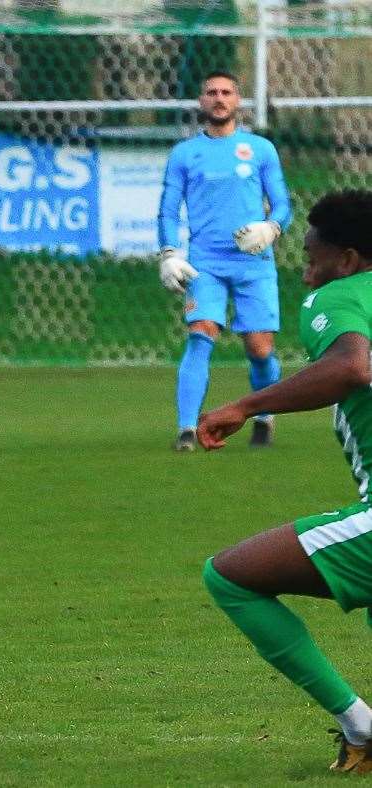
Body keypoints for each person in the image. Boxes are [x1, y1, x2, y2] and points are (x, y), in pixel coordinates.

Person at [199, 190, 372, 772]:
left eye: (312, 248)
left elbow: (352, 365)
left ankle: (362, 728)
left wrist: (246, 405)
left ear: (346, 258)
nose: (304, 258)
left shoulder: (338, 295)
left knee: (230, 576)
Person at [158, 69, 292, 451]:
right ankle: (186, 429)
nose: (219, 98)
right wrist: (168, 252)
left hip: (254, 262)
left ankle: (264, 416)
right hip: (206, 263)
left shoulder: (261, 149)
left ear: (238, 101)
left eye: (227, 92)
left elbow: (282, 203)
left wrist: (271, 228)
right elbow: (168, 209)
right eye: (211, 92)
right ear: (202, 101)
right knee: (200, 336)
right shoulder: (185, 153)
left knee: (259, 349)